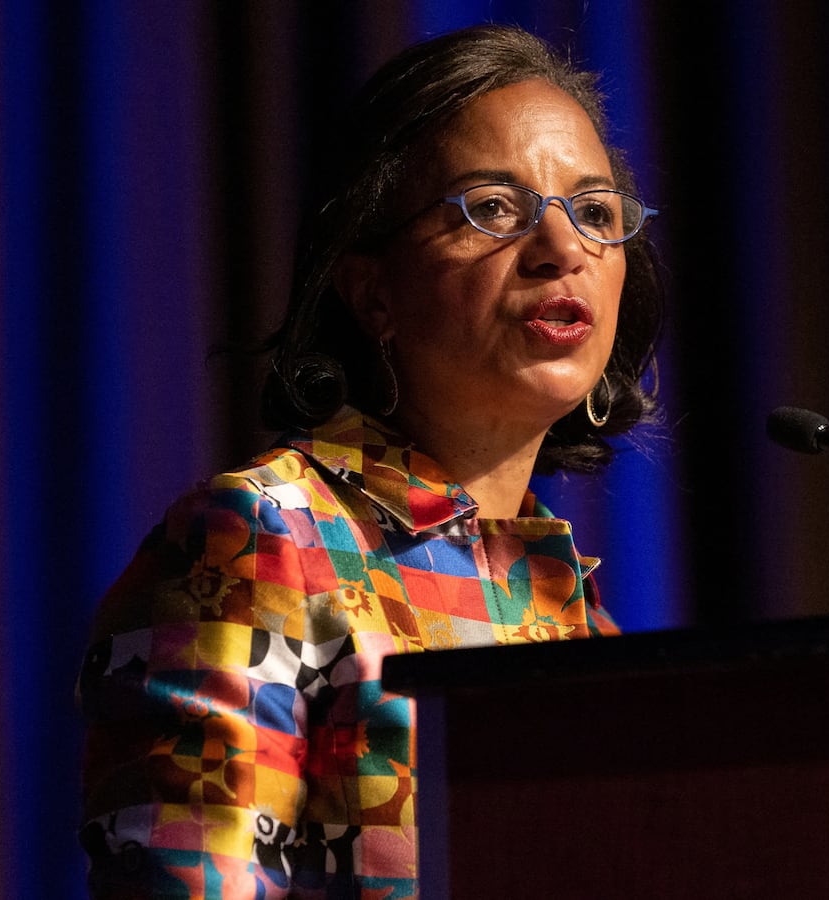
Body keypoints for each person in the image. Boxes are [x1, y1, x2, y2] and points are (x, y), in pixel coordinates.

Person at [76, 23, 664, 899]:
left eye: (595, 212)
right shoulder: (265, 541)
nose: (563, 249)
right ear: (373, 289)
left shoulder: (576, 615)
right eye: (494, 207)